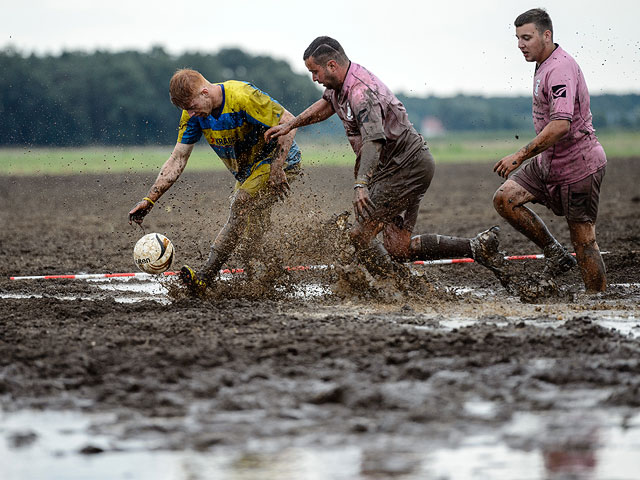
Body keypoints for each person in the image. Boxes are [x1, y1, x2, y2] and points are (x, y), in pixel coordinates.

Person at [265, 36, 503, 278]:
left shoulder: (360, 93)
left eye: (314, 72)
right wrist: (291, 125)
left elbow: (373, 141)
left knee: (360, 234)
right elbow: (327, 105)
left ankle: (394, 286)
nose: (314, 78)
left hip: (407, 167)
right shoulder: (338, 88)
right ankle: (476, 247)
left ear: (332, 65)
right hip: (394, 168)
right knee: (398, 248)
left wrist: (361, 184)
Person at [128, 68, 301, 292]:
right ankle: (269, 279)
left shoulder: (242, 96)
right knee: (248, 232)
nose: (190, 114)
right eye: (185, 110)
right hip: (250, 173)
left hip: (280, 162)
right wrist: (149, 200)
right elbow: (178, 159)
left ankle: (204, 278)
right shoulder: (193, 115)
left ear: (204, 92)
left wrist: (277, 167)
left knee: (240, 205)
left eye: (191, 107)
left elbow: (289, 121)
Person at [492, 8, 607, 292]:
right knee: (505, 198)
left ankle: (598, 300)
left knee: (583, 240)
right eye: (518, 38)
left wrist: (519, 155)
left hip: (578, 166)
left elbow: (560, 126)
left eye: (527, 38)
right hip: (548, 163)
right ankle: (555, 253)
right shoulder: (543, 63)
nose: (520, 44)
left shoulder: (559, 69)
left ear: (547, 35)